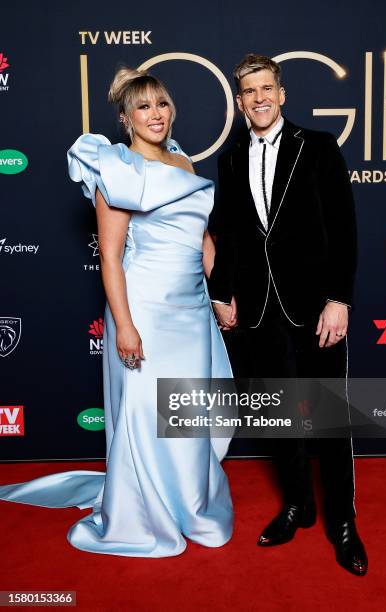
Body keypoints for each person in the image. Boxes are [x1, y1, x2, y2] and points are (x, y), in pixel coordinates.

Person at [0, 68, 233, 557]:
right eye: (144, 107)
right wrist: (124, 325)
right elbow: (110, 255)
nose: (156, 115)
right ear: (126, 117)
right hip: (144, 309)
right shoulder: (116, 168)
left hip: (191, 310)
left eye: (162, 104)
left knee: (187, 411)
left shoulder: (185, 162)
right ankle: (145, 511)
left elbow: (204, 240)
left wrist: (220, 294)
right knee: (144, 411)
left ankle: (188, 501)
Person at [208, 54, 368, 576]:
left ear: (282, 94)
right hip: (258, 311)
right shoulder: (229, 161)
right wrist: (221, 293)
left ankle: (343, 523)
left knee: (329, 420)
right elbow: (228, 235)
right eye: (249, 91)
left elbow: (342, 229)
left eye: (266, 88)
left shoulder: (318, 148)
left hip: (315, 306)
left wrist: (339, 299)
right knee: (280, 419)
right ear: (239, 101)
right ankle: (299, 505)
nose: (258, 98)